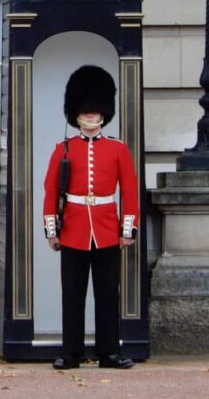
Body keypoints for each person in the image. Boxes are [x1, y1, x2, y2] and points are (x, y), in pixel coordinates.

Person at [43, 65, 138, 370]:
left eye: (95, 113)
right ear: (76, 115)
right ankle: (71, 353)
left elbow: (131, 192)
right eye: (85, 113)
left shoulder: (118, 149)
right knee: (72, 296)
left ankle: (109, 353)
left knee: (108, 296)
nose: (90, 117)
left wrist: (128, 230)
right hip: (72, 230)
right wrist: (51, 230)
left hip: (108, 230)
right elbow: (49, 192)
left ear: (103, 115)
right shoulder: (63, 149)